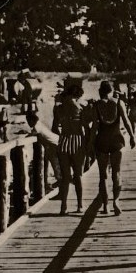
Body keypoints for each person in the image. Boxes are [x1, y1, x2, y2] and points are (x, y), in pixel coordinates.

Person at [90, 81, 136, 215]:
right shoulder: (118, 103)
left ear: (100, 91)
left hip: (102, 142)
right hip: (117, 141)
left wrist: (89, 144)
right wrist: (132, 136)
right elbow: (126, 121)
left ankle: (105, 206)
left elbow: (94, 127)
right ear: (111, 91)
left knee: (103, 176)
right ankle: (116, 201)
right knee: (117, 173)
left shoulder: (96, 106)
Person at [52, 84, 87, 215]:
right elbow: (86, 128)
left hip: (63, 142)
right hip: (77, 142)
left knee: (65, 177)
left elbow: (54, 128)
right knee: (78, 176)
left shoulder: (58, 109)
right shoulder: (81, 108)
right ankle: (80, 205)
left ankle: (64, 207)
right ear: (77, 96)